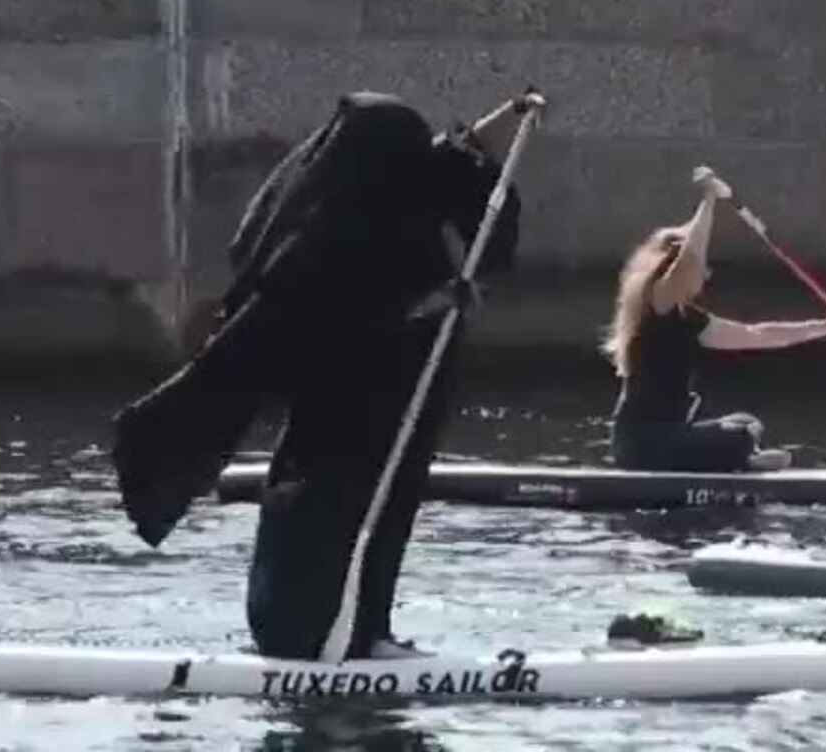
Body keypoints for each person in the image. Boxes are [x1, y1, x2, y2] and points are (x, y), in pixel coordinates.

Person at [109, 89, 540, 660]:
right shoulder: (322, 242)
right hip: (344, 432)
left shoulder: (388, 194)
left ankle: (370, 629)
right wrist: (439, 301)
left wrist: (515, 112)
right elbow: (355, 321)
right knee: (343, 521)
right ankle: (332, 633)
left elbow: (456, 155)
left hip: (391, 419)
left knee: (387, 518)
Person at [602, 167, 826, 473]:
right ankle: (747, 463)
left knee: (746, 423)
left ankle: (744, 460)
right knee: (739, 435)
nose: (707, 273)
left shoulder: (688, 318)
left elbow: (759, 335)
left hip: (669, 438)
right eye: (703, 267)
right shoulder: (655, 303)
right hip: (643, 447)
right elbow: (689, 257)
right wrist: (709, 199)